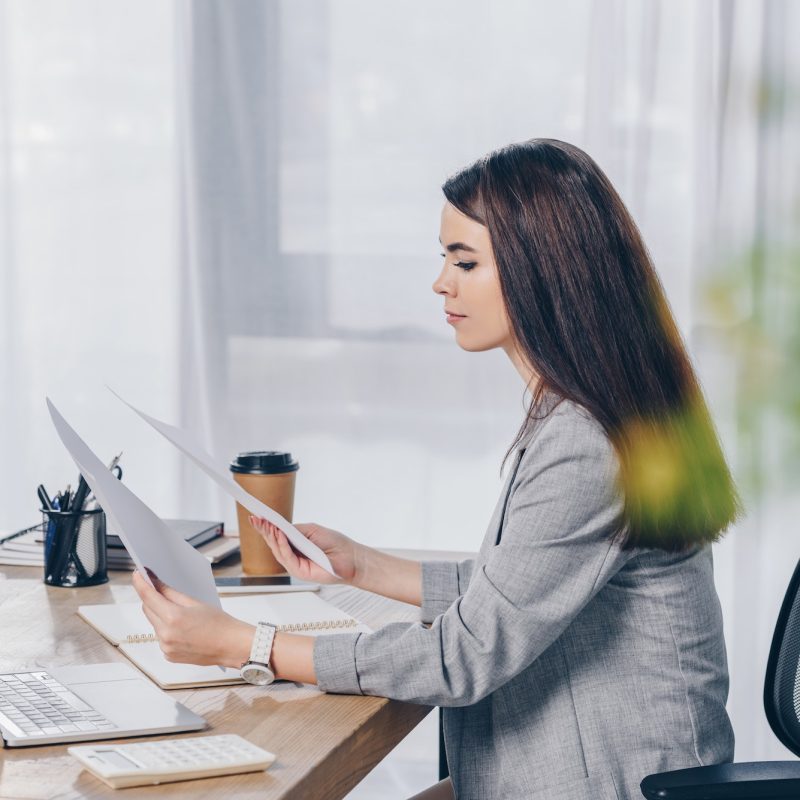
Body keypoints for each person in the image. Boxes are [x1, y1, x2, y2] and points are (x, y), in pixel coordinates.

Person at [133, 138, 741, 800]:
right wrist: (365, 567)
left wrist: (248, 646)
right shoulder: (593, 411)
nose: (441, 282)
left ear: (545, 270)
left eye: (466, 261)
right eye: (444, 258)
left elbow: (464, 657)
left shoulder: (586, 443)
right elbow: (520, 590)